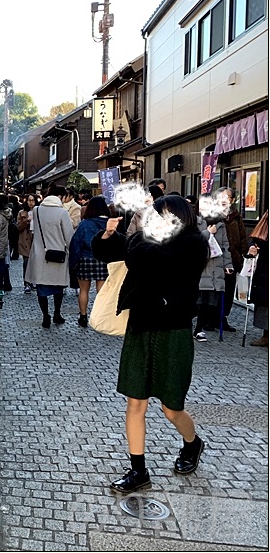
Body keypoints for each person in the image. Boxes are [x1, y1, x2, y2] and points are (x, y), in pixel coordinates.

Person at [92, 194, 209, 494]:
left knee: (171, 407)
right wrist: (107, 235)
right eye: (158, 214)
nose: (161, 220)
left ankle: (193, 444)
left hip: (173, 332)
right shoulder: (145, 240)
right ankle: (138, 469)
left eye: (168, 215)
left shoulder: (194, 243)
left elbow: (149, 258)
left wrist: (132, 239)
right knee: (135, 402)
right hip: (140, 327)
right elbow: (110, 252)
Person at [24, 184, 74, 327]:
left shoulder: (37, 210)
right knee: (58, 287)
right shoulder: (62, 213)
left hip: (40, 255)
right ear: (60, 197)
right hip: (59, 255)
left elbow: (33, 230)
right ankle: (57, 314)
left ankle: (45, 316)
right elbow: (69, 237)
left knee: (42, 288)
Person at [194, 199, 233, 342]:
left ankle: (200, 327)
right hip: (201, 267)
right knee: (198, 301)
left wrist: (228, 265)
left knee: (210, 302)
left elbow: (225, 247)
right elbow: (193, 242)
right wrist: (207, 233)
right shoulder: (195, 222)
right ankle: (197, 329)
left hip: (215, 268)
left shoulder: (221, 225)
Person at [69, 196, 111, 327]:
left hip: (86, 259)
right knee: (102, 290)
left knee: (84, 290)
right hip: (103, 259)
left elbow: (76, 243)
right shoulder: (110, 223)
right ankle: (102, 317)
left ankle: (83, 316)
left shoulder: (85, 224)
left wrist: (73, 262)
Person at [218, 187, 249, 331]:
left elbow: (243, 237)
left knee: (229, 290)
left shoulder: (236, 216)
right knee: (215, 289)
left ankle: (223, 317)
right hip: (217, 259)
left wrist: (245, 253)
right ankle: (209, 318)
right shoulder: (213, 215)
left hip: (233, 258)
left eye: (227, 197)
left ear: (232, 200)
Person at [248, 210, 268, 346]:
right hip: (265, 266)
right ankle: (266, 334)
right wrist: (253, 248)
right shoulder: (266, 219)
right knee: (264, 301)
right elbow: (257, 240)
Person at [17, 194, 38, 293]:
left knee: (36, 262)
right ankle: (26, 283)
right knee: (26, 261)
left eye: (33, 200)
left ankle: (34, 281)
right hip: (25, 239)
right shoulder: (22, 213)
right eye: (29, 200)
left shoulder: (38, 212)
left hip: (36, 238)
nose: (31, 203)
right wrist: (26, 221)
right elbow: (18, 227)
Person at [8, 194, 21, 260]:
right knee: (16, 242)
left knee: (10, 241)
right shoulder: (20, 206)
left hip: (11, 225)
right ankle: (16, 255)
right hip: (17, 224)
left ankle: (9, 254)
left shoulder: (10, 206)